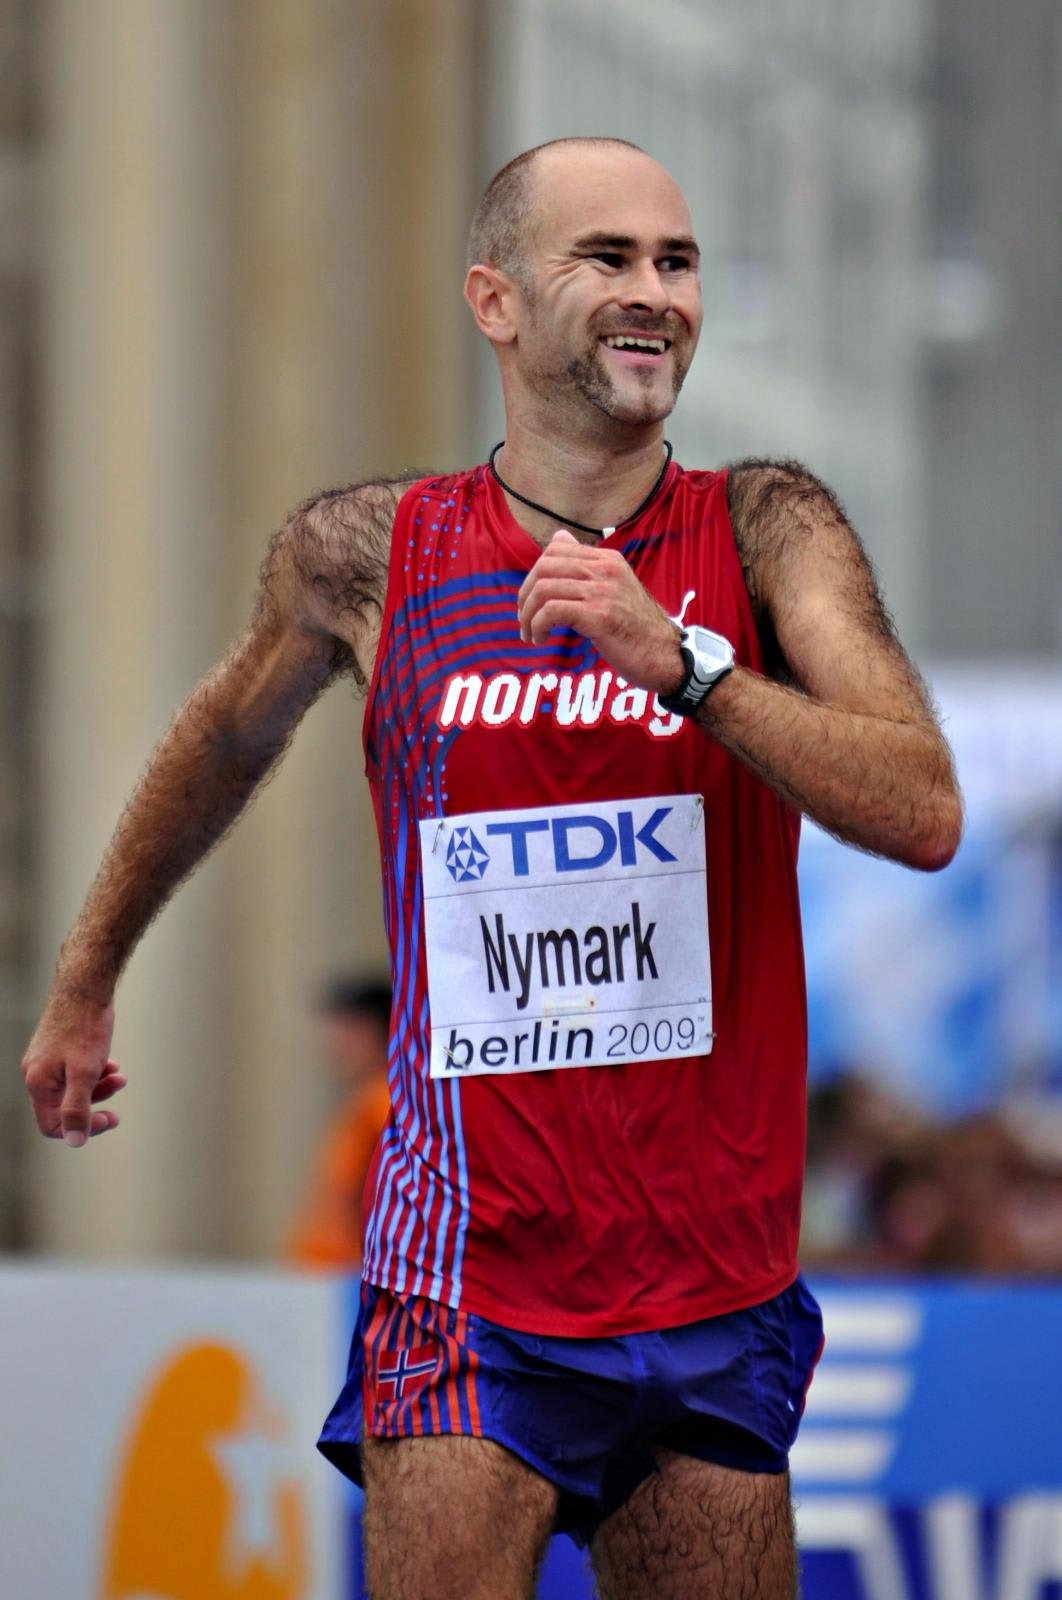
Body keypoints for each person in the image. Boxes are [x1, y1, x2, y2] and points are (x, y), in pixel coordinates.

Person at [21, 137, 962, 1598]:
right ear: (496, 301)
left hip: (712, 1277)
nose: (655, 292)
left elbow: (921, 808)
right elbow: (217, 742)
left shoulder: (765, 529)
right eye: (608, 258)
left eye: (677, 262)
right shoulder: (368, 555)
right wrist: (86, 979)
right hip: (467, 1273)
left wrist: (685, 665)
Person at [284, 975, 392, 1270]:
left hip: (351, 1278)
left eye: (349, 1029)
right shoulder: (366, 1101)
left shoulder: (383, 1104)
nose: (334, 1043)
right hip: (330, 1277)